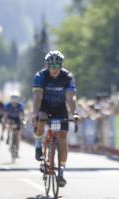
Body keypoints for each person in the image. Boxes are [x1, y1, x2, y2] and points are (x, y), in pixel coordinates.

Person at [32, 50, 78, 187]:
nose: (54, 69)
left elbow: (71, 97)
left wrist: (74, 112)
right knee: (41, 118)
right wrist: (35, 113)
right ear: (47, 66)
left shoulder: (67, 76)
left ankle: (62, 171)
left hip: (59, 108)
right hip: (44, 106)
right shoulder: (40, 76)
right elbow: (37, 96)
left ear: (61, 66)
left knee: (62, 136)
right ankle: (38, 144)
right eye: (52, 66)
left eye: (57, 66)